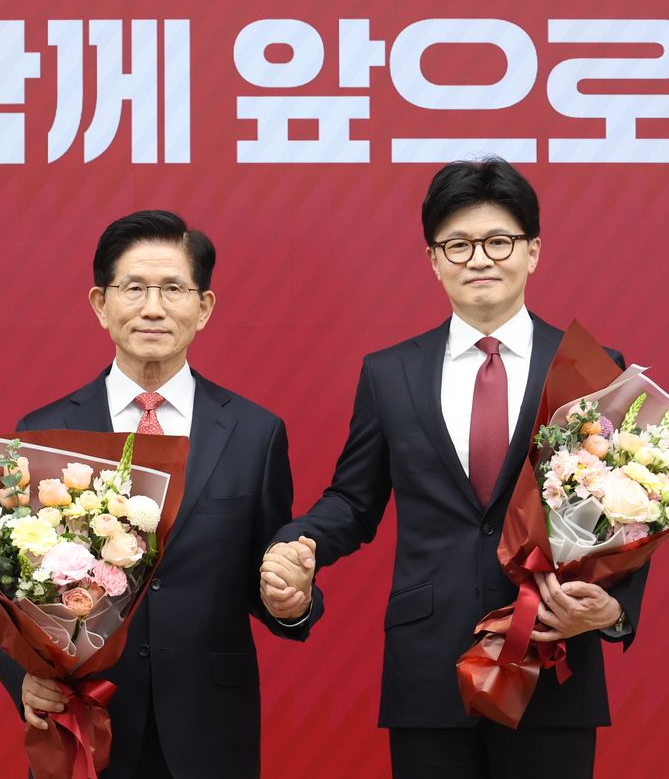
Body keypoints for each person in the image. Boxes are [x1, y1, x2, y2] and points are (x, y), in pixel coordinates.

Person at [259, 159, 649, 779]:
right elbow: (354, 503)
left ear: (533, 251)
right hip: (429, 668)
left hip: (553, 653)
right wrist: (298, 540)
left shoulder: (590, 367)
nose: (479, 259)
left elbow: (631, 507)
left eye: (499, 241)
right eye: (458, 244)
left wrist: (613, 609)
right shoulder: (390, 373)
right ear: (434, 258)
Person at [0, 210, 321, 779]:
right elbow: (0, 587)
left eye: (173, 289)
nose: (153, 307)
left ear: (204, 307)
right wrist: (26, 679)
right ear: (100, 304)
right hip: (85, 717)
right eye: (133, 288)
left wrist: (293, 601)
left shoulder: (256, 433)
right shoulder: (42, 432)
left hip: (210, 728)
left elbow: (268, 582)